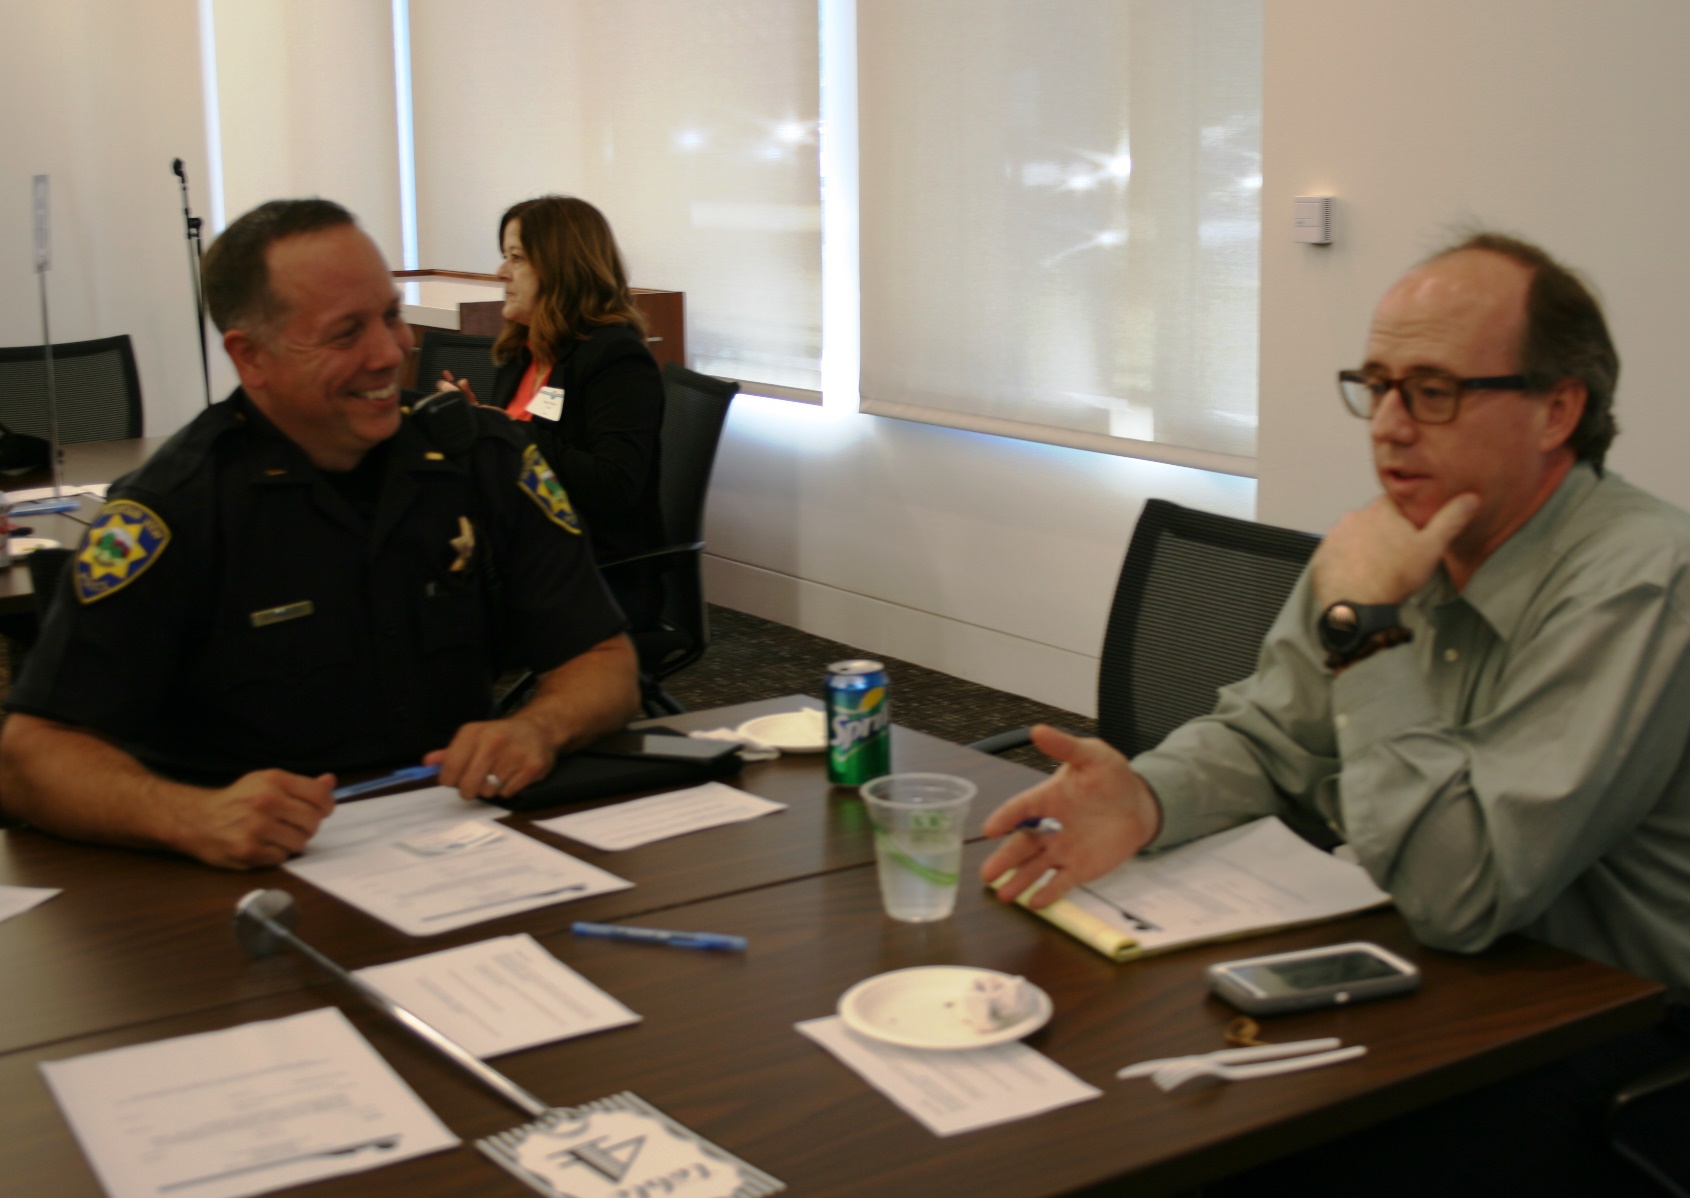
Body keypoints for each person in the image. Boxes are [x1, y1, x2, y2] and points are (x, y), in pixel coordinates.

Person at [979, 233, 1690, 1194]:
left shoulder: (1645, 584)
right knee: (1096, 1091)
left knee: (1219, 1156)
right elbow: (1270, 733)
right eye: (1378, 384)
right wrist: (1146, 796)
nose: (1389, 427)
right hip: (1419, 967)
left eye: (1434, 390)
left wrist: (1367, 634)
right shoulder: (1394, 539)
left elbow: (1463, 894)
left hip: (1608, 1029)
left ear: (1557, 408)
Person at [0, 198, 640, 871]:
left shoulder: (480, 457)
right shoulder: (172, 511)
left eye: (390, 316)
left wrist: (536, 728)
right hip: (243, 880)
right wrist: (191, 816)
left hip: (454, 850)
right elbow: (29, 754)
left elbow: (605, 663)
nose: (391, 353)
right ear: (252, 358)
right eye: (345, 333)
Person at [440, 195, 667, 631]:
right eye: (504, 257)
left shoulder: (615, 358)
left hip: (593, 573)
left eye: (516, 258)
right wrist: (475, 429)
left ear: (562, 268)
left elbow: (614, 485)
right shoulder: (522, 353)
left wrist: (505, 433)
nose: (500, 273)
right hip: (519, 551)